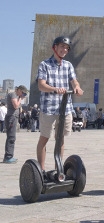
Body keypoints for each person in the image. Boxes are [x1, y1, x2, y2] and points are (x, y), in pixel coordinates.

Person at [36, 36, 84, 173]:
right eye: (62, 46)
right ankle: (41, 170)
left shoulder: (68, 65)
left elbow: (74, 81)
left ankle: (58, 169)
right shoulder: (44, 65)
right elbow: (41, 85)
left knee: (60, 139)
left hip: (65, 108)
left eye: (67, 48)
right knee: (44, 138)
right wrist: (55, 89)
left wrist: (77, 88)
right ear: (55, 47)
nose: (64, 49)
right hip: (49, 108)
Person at [3, 85, 28, 163]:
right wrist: (20, 98)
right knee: (11, 137)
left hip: (13, 117)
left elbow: (19, 109)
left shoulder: (16, 96)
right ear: (19, 90)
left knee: (12, 137)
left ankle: (9, 155)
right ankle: (8, 157)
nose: (23, 95)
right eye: (23, 93)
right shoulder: (13, 94)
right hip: (11, 117)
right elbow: (16, 105)